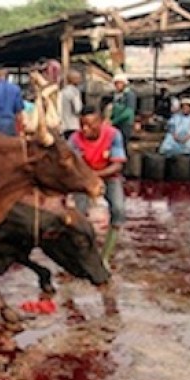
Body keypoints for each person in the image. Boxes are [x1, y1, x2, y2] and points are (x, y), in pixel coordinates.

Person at [69, 106, 127, 263]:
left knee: (118, 209)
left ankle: (106, 254)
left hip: (109, 175)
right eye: (82, 125)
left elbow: (117, 165)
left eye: (90, 125)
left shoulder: (113, 135)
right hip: (83, 177)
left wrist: (96, 176)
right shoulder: (74, 139)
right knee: (79, 215)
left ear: (100, 123)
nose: (85, 129)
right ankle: (81, 253)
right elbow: (71, 164)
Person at [158, 98, 190, 162]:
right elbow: (170, 127)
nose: (185, 109)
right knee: (168, 138)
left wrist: (188, 137)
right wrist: (175, 135)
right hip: (176, 136)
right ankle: (168, 156)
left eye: (187, 107)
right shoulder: (176, 116)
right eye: (183, 107)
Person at [109, 73, 136, 156]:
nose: (117, 85)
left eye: (119, 83)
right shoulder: (117, 95)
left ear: (124, 84)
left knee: (123, 144)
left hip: (125, 124)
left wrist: (113, 121)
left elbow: (128, 112)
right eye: (116, 83)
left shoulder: (129, 95)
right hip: (117, 123)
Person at [60, 69, 83, 140]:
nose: (80, 80)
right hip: (73, 125)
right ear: (74, 79)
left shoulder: (62, 92)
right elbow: (78, 109)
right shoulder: (75, 92)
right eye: (79, 78)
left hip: (63, 126)